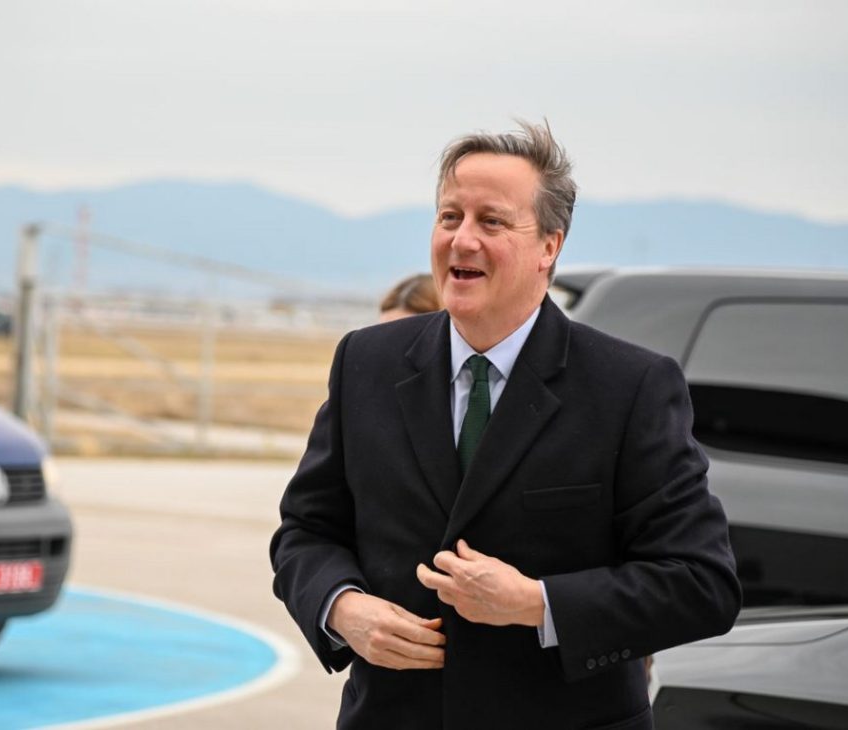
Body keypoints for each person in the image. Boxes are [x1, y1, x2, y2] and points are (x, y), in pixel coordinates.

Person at [270, 121, 740, 729]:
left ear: (549, 246)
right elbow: (306, 532)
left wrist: (537, 604)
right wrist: (343, 608)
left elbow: (702, 584)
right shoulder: (365, 362)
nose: (462, 239)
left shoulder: (630, 387)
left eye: (491, 221)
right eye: (450, 217)